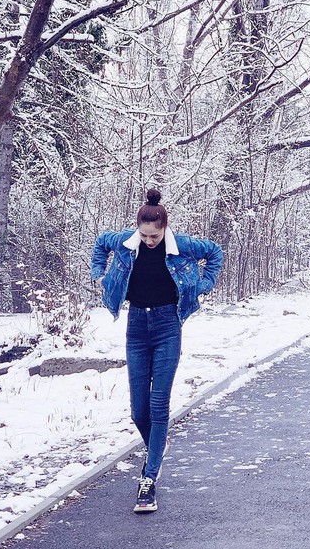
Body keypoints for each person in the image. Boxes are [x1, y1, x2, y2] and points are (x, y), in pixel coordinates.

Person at [91, 188, 223, 514]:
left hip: (167, 327)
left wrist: (204, 284)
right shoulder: (125, 241)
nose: (149, 241)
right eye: (144, 235)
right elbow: (99, 245)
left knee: (158, 404)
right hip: (136, 327)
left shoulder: (183, 246)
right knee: (139, 411)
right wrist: (99, 276)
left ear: (164, 227)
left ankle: (148, 480)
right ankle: (157, 447)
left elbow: (215, 253)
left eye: (155, 235)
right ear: (138, 228)